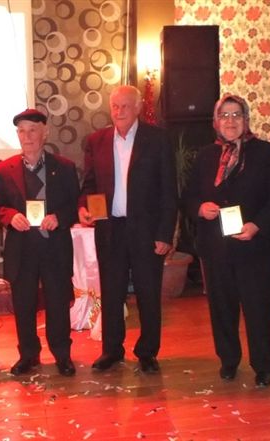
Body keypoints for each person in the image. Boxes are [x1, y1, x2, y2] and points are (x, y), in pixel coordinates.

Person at [183, 94, 270, 387]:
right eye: (224, 115)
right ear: (215, 121)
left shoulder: (265, 152)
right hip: (216, 248)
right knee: (222, 308)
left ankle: (263, 366)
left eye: (236, 115)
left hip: (255, 247)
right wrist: (199, 208)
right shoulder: (205, 155)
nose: (230, 121)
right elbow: (189, 195)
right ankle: (228, 360)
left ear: (246, 120)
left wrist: (258, 225)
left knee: (260, 308)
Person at [79, 85, 177, 374]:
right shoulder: (96, 141)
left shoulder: (157, 139)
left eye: (125, 106)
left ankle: (147, 352)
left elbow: (169, 190)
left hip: (146, 231)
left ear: (137, 108)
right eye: (115, 106)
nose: (119, 111)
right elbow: (90, 185)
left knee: (148, 293)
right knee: (111, 292)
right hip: (110, 229)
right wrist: (84, 207)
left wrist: (164, 234)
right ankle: (111, 350)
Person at [0, 109, 79, 377]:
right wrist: (11, 216)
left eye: (33, 130)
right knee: (24, 305)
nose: (27, 136)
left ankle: (62, 355)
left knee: (58, 304)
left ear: (45, 133)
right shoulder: (4, 169)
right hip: (22, 249)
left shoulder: (64, 167)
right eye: (22, 131)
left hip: (55, 248)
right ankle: (28, 355)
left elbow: (75, 205)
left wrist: (59, 217)